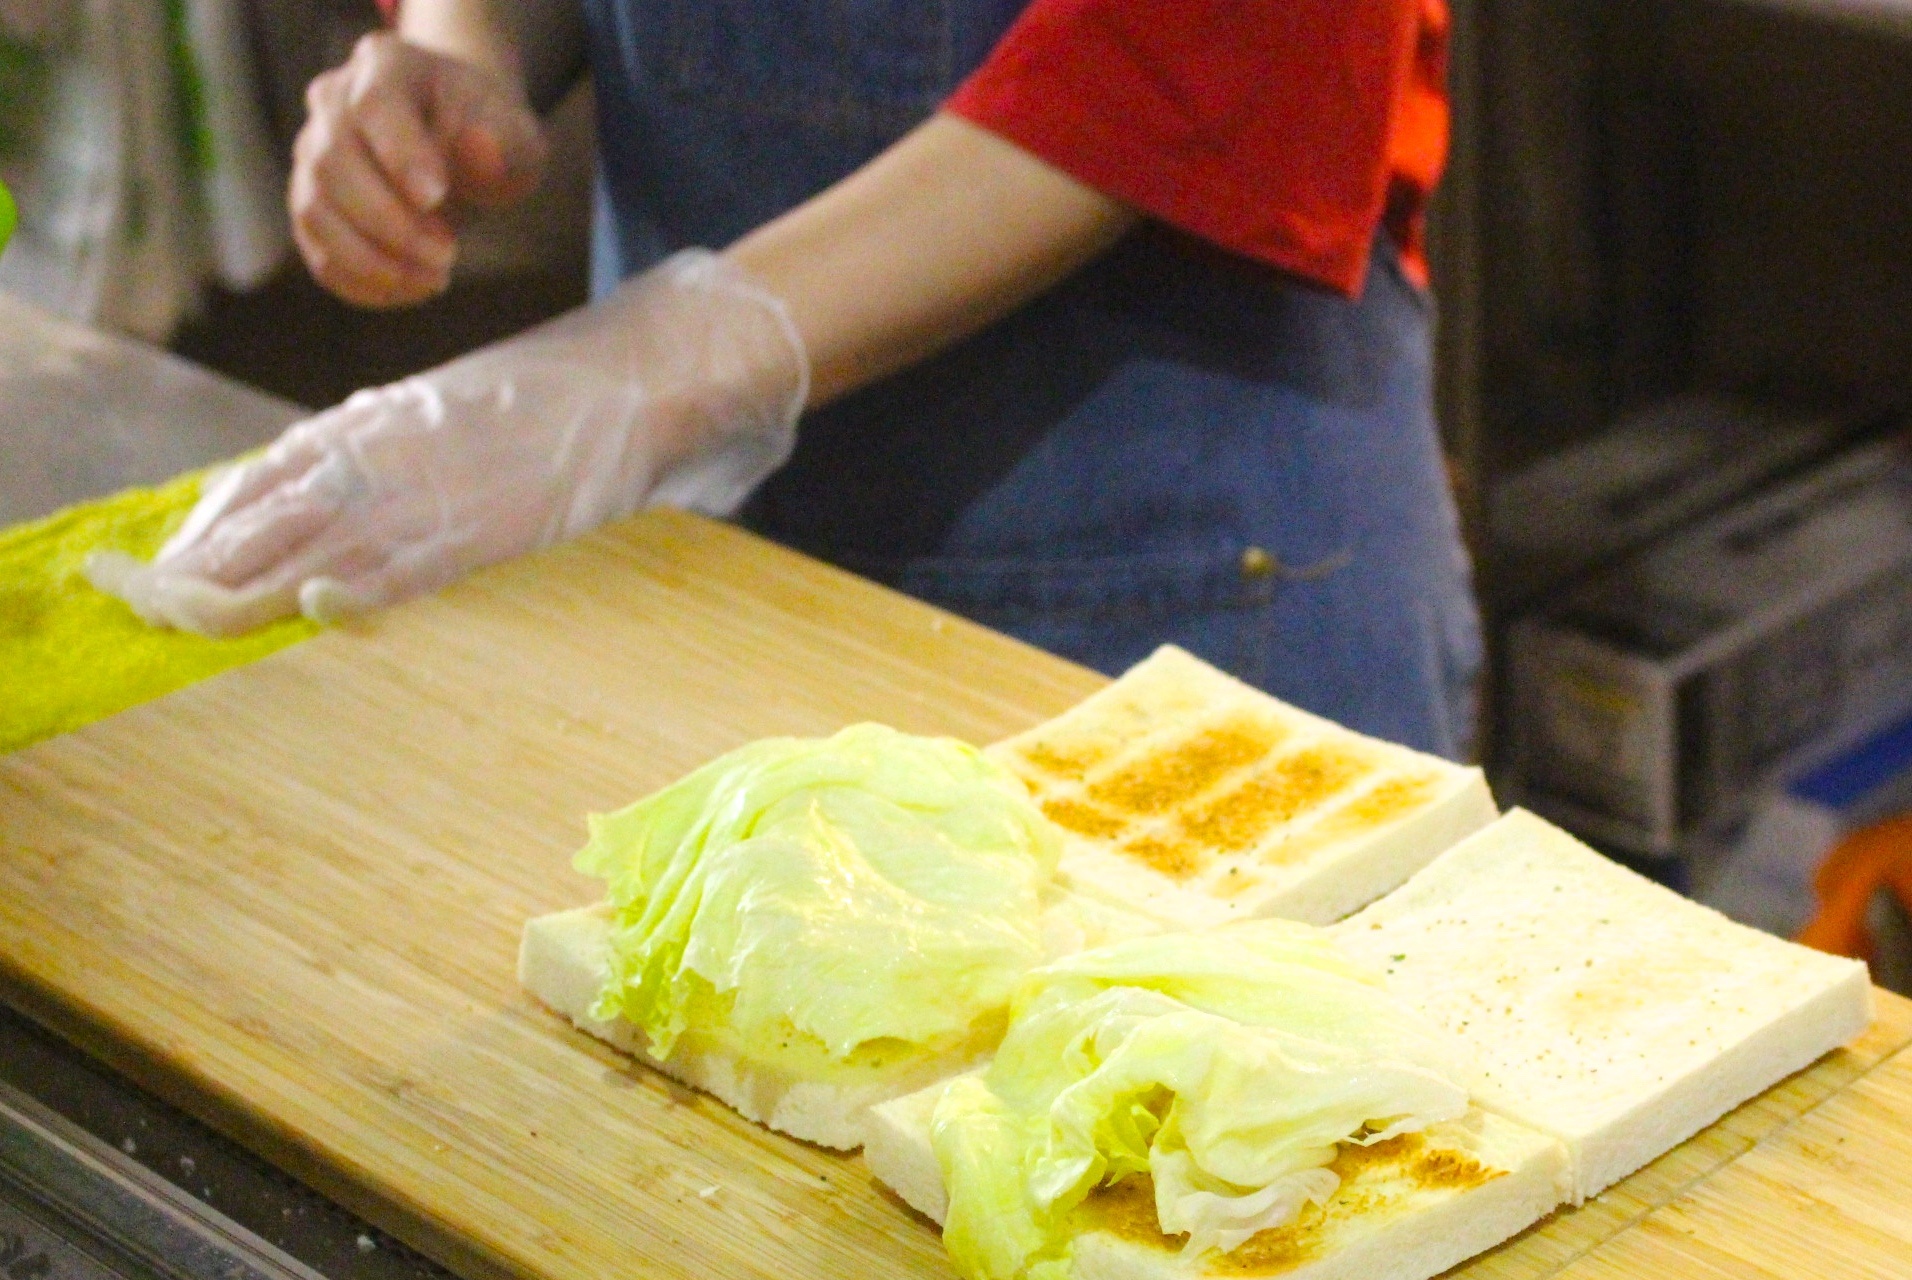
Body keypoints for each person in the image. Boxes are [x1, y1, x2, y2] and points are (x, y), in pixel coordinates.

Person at [92, 0, 1483, 759]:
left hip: (1162, 561)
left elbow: (1208, 42)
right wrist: (466, 51)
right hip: (699, 564)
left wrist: (652, 370)